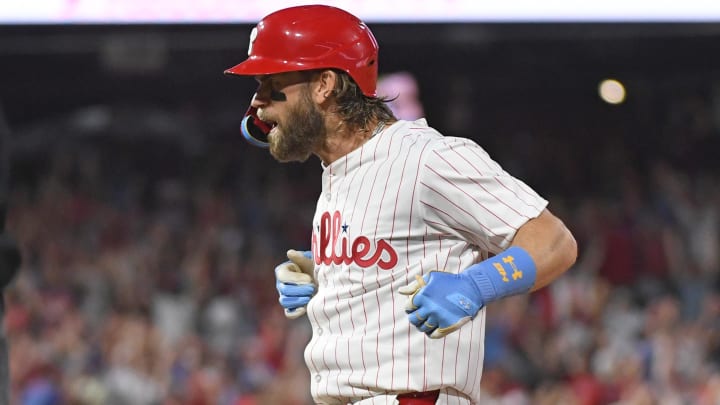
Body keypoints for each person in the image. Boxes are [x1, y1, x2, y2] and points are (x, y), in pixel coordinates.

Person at [224, 5, 577, 405]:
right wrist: (330, 275)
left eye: (271, 86)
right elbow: (398, 252)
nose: (257, 105)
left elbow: (554, 242)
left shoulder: (426, 158)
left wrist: (477, 285)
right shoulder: (339, 168)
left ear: (324, 85)